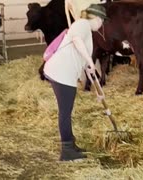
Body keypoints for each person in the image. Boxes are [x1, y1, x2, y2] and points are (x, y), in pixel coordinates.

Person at [43, 4, 107, 161]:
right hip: (61, 73)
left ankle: (71, 145)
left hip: (63, 72)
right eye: (102, 21)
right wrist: (89, 61)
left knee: (67, 110)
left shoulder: (86, 30)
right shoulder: (82, 24)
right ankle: (66, 151)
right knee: (65, 112)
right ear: (97, 18)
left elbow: (85, 64)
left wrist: (99, 91)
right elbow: (77, 40)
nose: (102, 25)